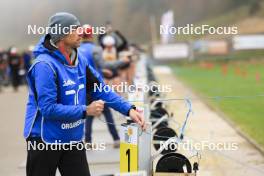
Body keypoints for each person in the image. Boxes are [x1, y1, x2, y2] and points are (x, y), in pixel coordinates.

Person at [24, 12, 145, 176]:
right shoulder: (44, 65)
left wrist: (129, 109)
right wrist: (85, 110)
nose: (81, 32)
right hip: (44, 140)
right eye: (75, 29)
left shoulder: (79, 59)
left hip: (72, 138)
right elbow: (48, 109)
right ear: (62, 34)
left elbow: (100, 90)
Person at [79, 24, 130, 148]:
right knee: (107, 112)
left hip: (84, 87)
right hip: (97, 85)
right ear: (91, 35)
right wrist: (121, 62)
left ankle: (88, 140)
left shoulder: (77, 49)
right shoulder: (96, 49)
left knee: (89, 113)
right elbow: (104, 65)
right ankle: (116, 139)